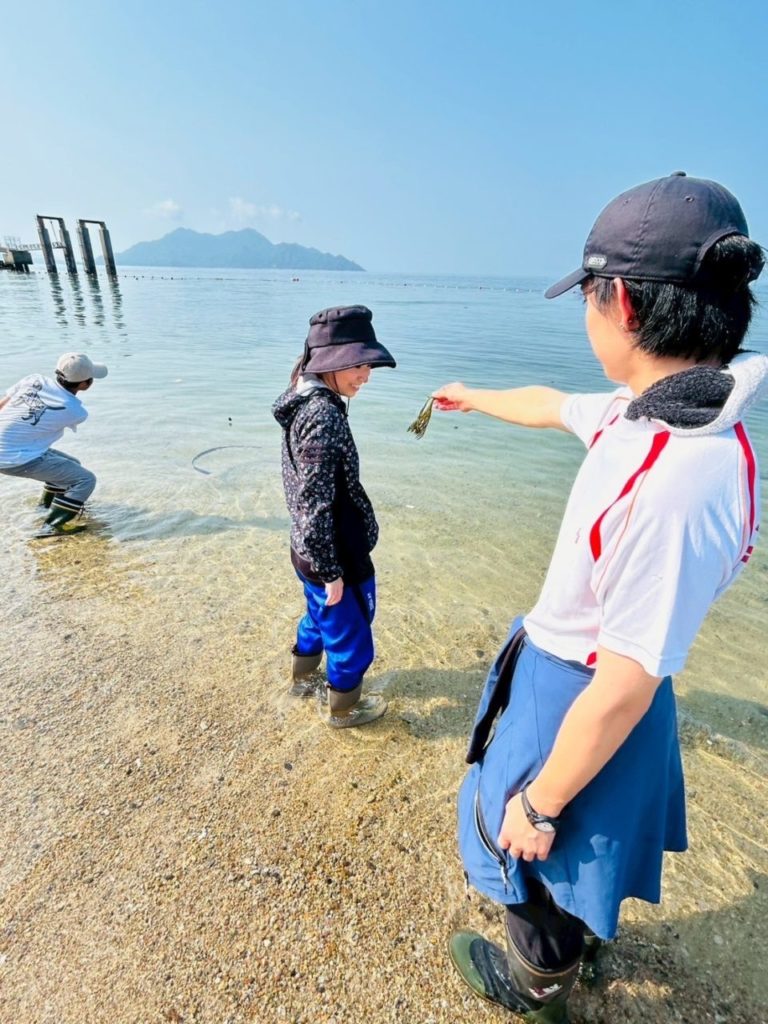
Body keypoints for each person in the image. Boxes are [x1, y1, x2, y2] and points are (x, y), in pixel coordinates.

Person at [435, 173, 767, 1023]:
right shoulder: (663, 414)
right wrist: (471, 395)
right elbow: (556, 407)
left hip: (585, 692)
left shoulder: (677, 479)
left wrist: (542, 801)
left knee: (520, 842)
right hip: (597, 679)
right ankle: (569, 940)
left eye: (585, 296)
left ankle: (538, 983)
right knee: (576, 851)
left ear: (618, 302)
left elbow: (623, 685)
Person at [272, 305, 396, 727]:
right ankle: (344, 710)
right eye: (359, 364)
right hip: (333, 553)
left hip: (305, 548)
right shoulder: (323, 414)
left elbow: (309, 496)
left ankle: (302, 681)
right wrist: (332, 571)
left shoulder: (302, 396)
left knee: (318, 618)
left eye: (369, 364)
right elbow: (315, 501)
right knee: (353, 638)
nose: (366, 375)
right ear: (332, 362)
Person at [0, 352, 109, 538]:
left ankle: (46, 507)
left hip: (11, 449)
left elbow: (2, 405)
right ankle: (51, 527)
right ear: (85, 385)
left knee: (73, 464)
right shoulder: (75, 411)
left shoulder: (33, 379)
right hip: (12, 458)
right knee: (85, 480)